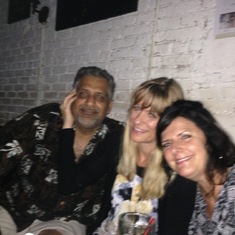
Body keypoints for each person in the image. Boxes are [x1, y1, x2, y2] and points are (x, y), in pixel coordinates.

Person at [0, 66, 124, 235]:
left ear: (109, 106)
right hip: (14, 207)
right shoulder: (42, 119)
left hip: (68, 219)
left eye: (100, 97)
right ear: (71, 97)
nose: (90, 102)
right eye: (83, 94)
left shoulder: (116, 136)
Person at [92, 77, 194, 235]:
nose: (138, 120)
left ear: (169, 123)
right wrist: (67, 127)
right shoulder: (116, 144)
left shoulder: (178, 171)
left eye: (152, 115)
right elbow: (69, 184)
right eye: (137, 108)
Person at [157, 100, 235, 234]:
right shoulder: (190, 193)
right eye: (167, 144)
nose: (175, 149)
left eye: (186, 136)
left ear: (209, 139)